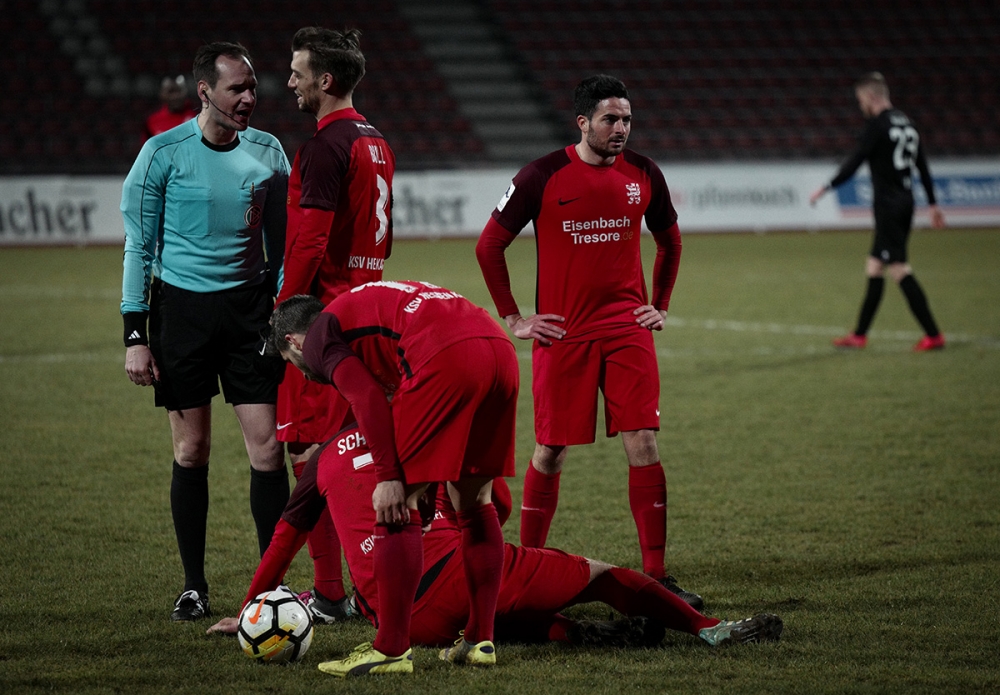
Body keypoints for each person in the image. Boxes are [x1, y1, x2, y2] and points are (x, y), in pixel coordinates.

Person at [206, 422, 784, 676]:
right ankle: (711, 629)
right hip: (455, 571)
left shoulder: (323, 459)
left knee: (499, 616)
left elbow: (284, 539)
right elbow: (494, 502)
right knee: (600, 575)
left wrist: (249, 609)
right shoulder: (421, 431)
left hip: (404, 622)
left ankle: (574, 633)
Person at [475, 75, 700, 608]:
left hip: (627, 330)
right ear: (583, 123)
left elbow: (670, 240)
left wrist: (661, 303)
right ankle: (528, 567)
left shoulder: (644, 172)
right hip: (565, 333)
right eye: (610, 119)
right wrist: (515, 318)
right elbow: (489, 246)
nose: (621, 129)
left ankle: (657, 574)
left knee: (643, 441)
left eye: (627, 120)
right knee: (551, 450)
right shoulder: (541, 175)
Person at [265, 283, 518, 675]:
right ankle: (478, 642)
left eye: (292, 363)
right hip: (498, 349)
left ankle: (391, 650)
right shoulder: (363, 314)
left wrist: (388, 477)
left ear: (293, 342)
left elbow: (365, 397)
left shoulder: (317, 337)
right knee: (475, 501)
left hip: (444, 354)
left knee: (395, 506)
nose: (305, 374)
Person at [121, 42, 290, 622]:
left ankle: (269, 588)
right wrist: (135, 335)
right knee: (192, 450)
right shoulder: (161, 154)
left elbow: (281, 246)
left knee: (268, 449)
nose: (248, 97)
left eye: (252, 87)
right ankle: (194, 586)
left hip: (249, 314)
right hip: (182, 314)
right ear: (204, 92)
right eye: (236, 88)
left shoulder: (269, 151)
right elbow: (139, 247)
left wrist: (283, 311)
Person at [275, 26, 396, 625]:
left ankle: (329, 593)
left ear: (325, 80)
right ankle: (381, 581)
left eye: (298, 73)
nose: (289, 82)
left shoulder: (325, 146)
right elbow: (384, 235)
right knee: (360, 447)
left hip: (322, 318)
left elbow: (311, 241)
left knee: (307, 450)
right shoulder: (376, 140)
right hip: (366, 307)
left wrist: (282, 311)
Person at [810, 71, 946, 351]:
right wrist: (933, 204)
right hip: (905, 202)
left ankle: (933, 335)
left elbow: (855, 161)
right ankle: (859, 335)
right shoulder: (907, 123)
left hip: (888, 206)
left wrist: (826, 187)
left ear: (871, 97)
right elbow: (922, 165)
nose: (860, 105)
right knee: (874, 266)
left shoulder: (877, 126)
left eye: (860, 100)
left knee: (899, 268)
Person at [143, 75, 195, 141]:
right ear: (162, 94)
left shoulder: (197, 116)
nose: (175, 96)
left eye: (178, 91)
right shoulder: (152, 121)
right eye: (171, 92)